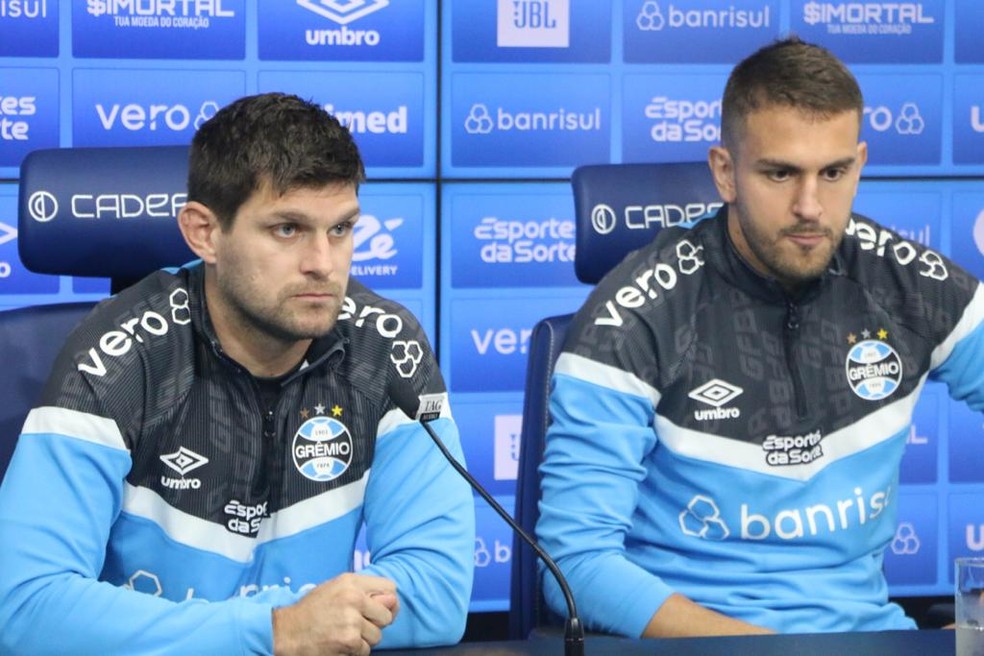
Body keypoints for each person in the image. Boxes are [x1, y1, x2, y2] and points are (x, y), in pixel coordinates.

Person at [536, 36, 984, 638]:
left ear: (860, 162)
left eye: (834, 173)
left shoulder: (906, 283)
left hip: (871, 637)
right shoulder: (633, 316)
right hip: (699, 648)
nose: (810, 206)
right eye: (780, 173)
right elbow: (575, 565)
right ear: (725, 172)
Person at [0, 92, 475, 655]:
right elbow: (26, 607)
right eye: (287, 230)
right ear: (203, 233)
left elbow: (439, 593)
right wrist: (276, 631)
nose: (323, 263)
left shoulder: (385, 349)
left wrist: (298, 626)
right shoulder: (114, 360)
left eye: (342, 229)